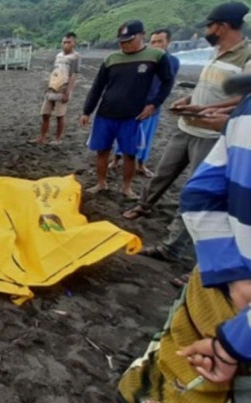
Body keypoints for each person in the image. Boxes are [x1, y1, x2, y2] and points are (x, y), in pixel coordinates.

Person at [115, 73, 251, 403]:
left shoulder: (245, 112)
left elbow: (201, 192)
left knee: (171, 376)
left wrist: (228, 269)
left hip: (217, 287)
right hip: (231, 298)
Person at [122, 2, 251, 268]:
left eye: (210, 25)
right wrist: (188, 99)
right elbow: (209, 88)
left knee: (195, 188)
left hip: (212, 134)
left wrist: (204, 108)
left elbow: (244, 97)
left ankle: (174, 247)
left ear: (224, 26)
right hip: (187, 126)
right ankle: (144, 206)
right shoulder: (216, 53)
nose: (207, 30)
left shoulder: (247, 57)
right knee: (163, 173)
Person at [81, 20, 175, 199]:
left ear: (142, 35)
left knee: (130, 154)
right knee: (102, 151)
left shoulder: (155, 56)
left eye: (129, 40)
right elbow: (98, 86)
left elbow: (168, 81)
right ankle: (101, 183)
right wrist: (87, 111)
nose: (125, 44)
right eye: (121, 41)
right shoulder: (111, 59)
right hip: (106, 113)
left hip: (133, 115)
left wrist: (154, 104)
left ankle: (126, 187)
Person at [109, 29, 182, 177]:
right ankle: (116, 159)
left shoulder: (172, 61)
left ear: (168, 42)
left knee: (147, 136)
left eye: (160, 41)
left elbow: (168, 84)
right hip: (133, 103)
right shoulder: (143, 58)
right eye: (153, 41)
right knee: (124, 132)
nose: (156, 44)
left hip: (153, 104)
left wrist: (156, 102)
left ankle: (141, 164)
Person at [36, 32, 81, 145]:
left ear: (74, 43)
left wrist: (68, 92)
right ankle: (42, 137)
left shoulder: (75, 57)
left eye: (68, 42)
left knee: (59, 115)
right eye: (64, 42)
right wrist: (48, 85)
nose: (66, 44)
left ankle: (58, 138)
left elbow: (73, 75)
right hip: (52, 87)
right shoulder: (58, 56)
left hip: (63, 89)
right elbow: (54, 71)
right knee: (45, 114)